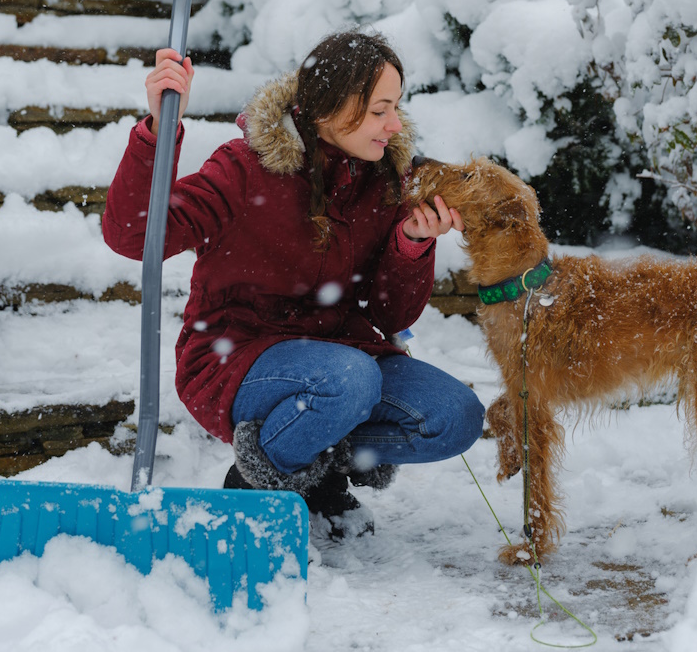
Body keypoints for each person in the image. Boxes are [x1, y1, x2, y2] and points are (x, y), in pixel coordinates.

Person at [103, 30, 485, 539]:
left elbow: (393, 318)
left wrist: (411, 244)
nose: (394, 126)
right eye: (378, 110)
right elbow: (134, 235)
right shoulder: (245, 168)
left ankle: (319, 471)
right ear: (329, 111)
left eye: (396, 108)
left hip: (343, 359)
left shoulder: (383, 181)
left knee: (453, 415)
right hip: (235, 357)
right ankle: (253, 484)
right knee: (348, 379)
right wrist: (158, 129)